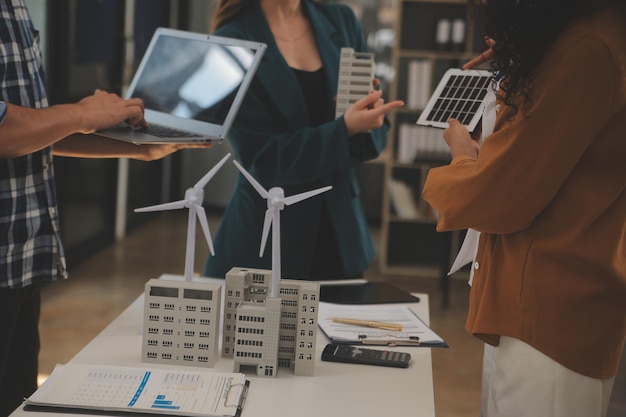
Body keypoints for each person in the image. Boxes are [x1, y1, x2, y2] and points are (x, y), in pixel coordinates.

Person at [0, 1, 211, 414]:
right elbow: (5, 131)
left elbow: (32, 130)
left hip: (23, 260)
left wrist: (134, 148)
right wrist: (83, 113)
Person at [422, 1, 626, 416]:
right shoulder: (591, 37)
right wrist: (520, 66)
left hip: (546, 317)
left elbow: (498, 196)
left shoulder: (585, 49)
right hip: (543, 306)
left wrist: (461, 159)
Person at [202, 0, 403, 280]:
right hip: (267, 241)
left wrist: (369, 120)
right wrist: (344, 128)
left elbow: (372, 138)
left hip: (342, 240)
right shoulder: (231, 40)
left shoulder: (341, 20)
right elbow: (262, 160)